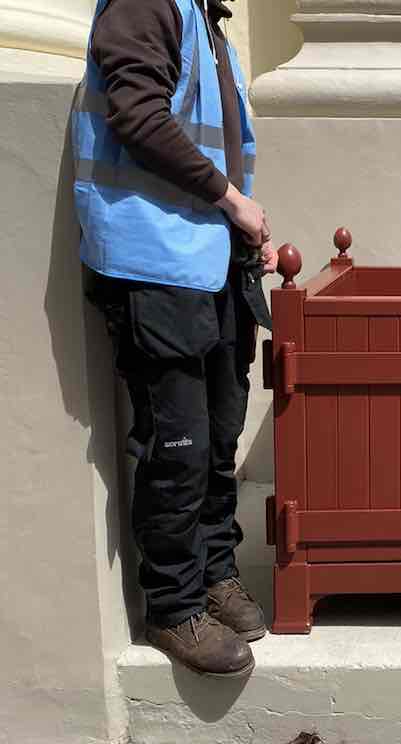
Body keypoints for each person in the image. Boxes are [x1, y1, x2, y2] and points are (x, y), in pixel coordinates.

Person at [71, 0, 275, 677]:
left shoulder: (206, 20)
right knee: (177, 444)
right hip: (152, 263)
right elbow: (138, 117)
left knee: (219, 433)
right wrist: (231, 200)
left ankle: (215, 570)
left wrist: (244, 230)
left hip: (205, 261)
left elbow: (210, 141)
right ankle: (173, 604)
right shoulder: (146, 1)